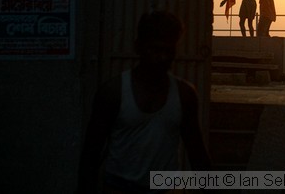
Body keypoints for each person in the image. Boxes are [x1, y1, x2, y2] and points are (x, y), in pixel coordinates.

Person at [77, 11, 211, 194]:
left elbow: (197, 154)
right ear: (138, 47)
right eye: (155, 49)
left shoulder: (184, 95)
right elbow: (91, 154)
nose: (162, 57)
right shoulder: (112, 93)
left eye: (168, 50)